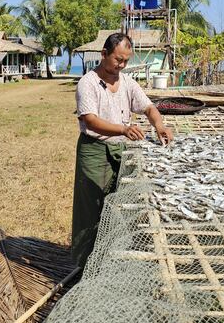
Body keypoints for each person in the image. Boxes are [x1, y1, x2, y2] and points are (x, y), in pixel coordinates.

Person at [72, 32, 173, 267]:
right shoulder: (87, 83)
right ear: (104, 54)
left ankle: (112, 260)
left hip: (121, 151)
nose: (122, 65)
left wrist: (159, 125)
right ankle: (84, 265)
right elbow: (90, 121)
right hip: (94, 150)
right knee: (92, 208)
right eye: (118, 59)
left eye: (126, 61)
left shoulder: (127, 82)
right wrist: (123, 129)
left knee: (117, 207)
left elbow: (148, 107)